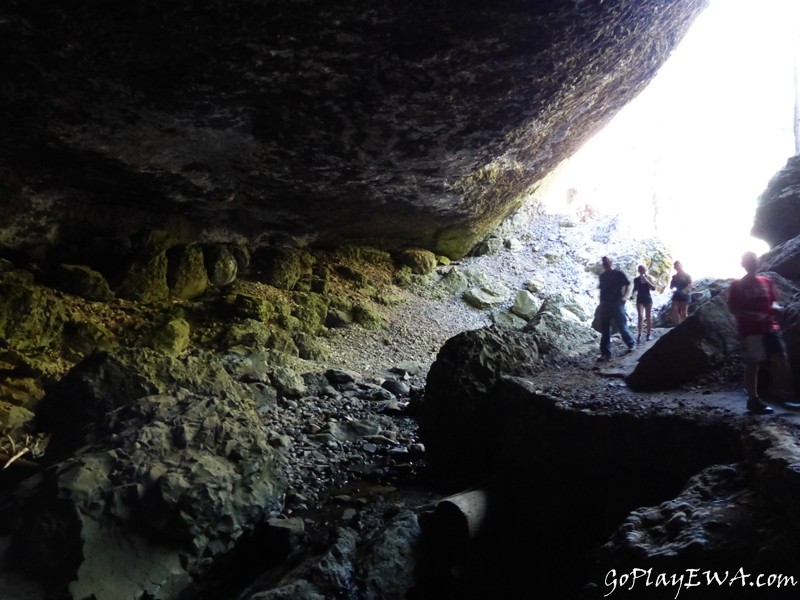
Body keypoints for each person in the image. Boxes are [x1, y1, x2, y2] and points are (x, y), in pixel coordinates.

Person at [726, 251, 797, 415]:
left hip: (770, 327)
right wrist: (752, 316)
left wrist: (776, 310)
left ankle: (785, 394)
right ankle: (753, 400)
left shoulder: (767, 281)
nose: (752, 263)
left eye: (754, 260)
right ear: (743, 264)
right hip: (750, 331)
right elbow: (733, 308)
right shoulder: (737, 285)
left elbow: (774, 302)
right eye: (748, 260)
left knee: (781, 357)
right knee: (754, 363)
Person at [596, 256, 636, 360]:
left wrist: (625, 297)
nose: (606, 263)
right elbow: (601, 291)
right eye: (604, 262)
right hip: (606, 304)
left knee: (622, 326)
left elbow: (629, 284)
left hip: (617, 303)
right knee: (605, 329)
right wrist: (600, 304)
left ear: (611, 262)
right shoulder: (602, 276)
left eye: (607, 261)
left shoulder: (618, 274)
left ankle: (631, 344)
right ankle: (605, 353)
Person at [632, 264, 656, 343]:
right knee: (640, 317)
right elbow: (634, 289)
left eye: (643, 269)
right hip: (640, 298)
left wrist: (646, 280)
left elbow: (654, 288)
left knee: (648, 316)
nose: (642, 271)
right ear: (638, 271)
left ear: (645, 270)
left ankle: (648, 334)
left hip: (648, 298)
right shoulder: (636, 279)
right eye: (640, 269)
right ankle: (639, 334)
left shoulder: (649, 278)